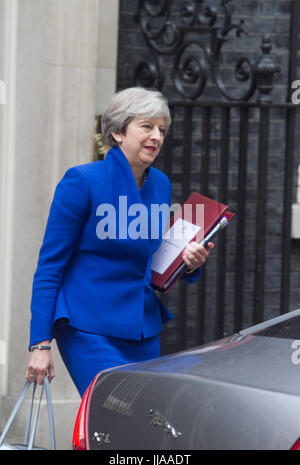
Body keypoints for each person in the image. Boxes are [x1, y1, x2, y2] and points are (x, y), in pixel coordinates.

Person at [25, 87, 214, 397]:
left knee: (142, 424)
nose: (156, 136)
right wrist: (40, 343)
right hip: (88, 329)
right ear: (117, 132)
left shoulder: (160, 184)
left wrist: (189, 263)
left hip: (142, 328)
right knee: (111, 415)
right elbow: (50, 266)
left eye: (161, 129)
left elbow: (155, 261)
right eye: (146, 126)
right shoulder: (82, 181)